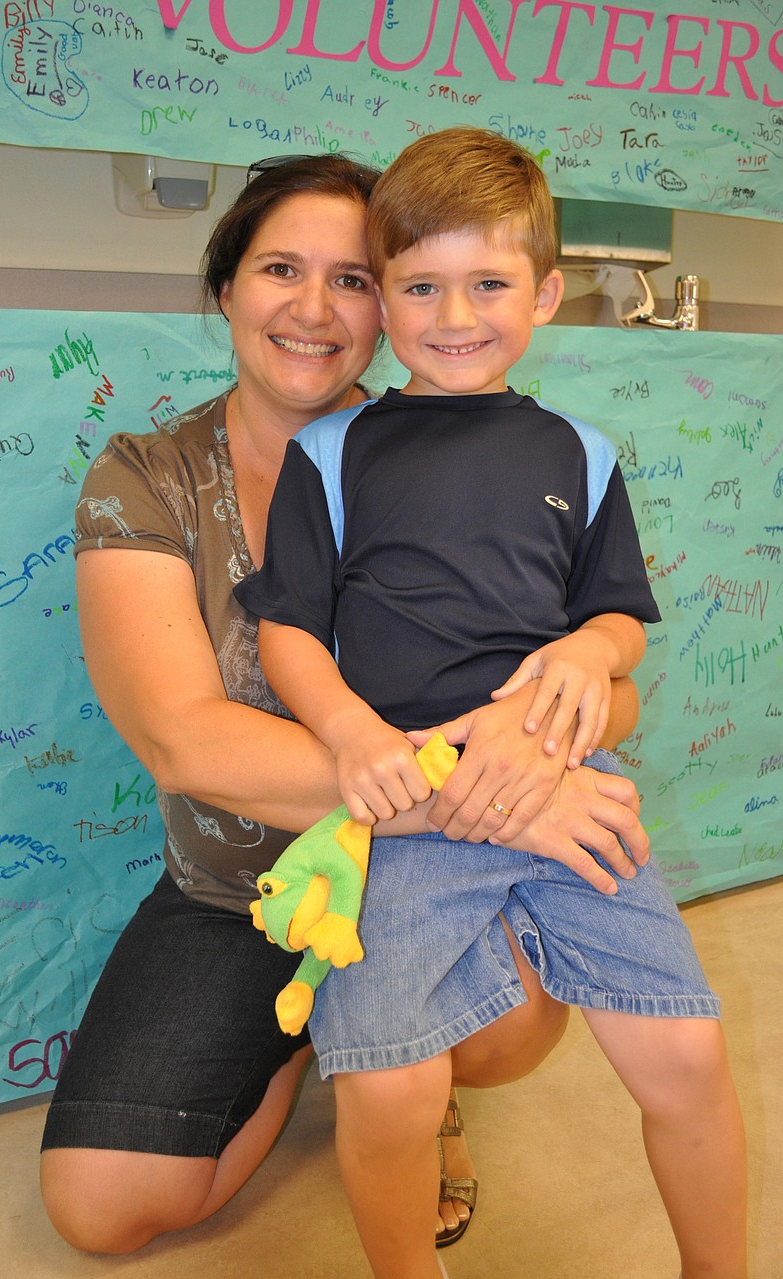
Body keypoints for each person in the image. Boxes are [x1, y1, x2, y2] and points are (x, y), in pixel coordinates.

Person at [39, 152, 652, 1259]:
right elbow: (184, 742)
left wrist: (564, 719)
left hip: (428, 876)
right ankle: (310, 1036)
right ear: (225, 287)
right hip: (243, 886)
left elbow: (613, 692)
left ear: (394, 298)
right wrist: (489, 798)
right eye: (280, 268)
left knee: (513, 1021)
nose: (316, 309)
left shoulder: (469, 451)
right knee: (101, 1207)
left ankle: (403, 1066)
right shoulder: (143, 477)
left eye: (354, 278)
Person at [235, 129, 748, 1279]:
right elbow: (285, 629)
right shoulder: (331, 451)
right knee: (390, 1081)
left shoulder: (582, 450)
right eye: (418, 284)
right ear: (384, 292)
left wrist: (585, 647)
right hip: (405, 809)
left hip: (568, 788)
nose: (451, 313)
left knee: (684, 1050)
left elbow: (618, 617)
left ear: (547, 294)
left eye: (488, 283)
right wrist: (354, 732)